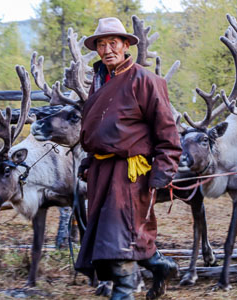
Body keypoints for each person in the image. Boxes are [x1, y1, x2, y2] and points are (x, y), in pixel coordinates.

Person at [75, 17, 182, 300]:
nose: (108, 49)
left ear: (125, 45)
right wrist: (90, 159)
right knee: (113, 236)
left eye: (113, 43)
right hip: (101, 171)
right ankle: (161, 265)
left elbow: (167, 130)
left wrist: (164, 168)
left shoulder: (145, 81)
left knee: (120, 238)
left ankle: (123, 293)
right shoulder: (99, 81)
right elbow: (98, 126)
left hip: (130, 173)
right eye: (101, 43)